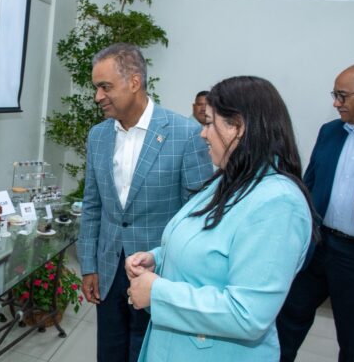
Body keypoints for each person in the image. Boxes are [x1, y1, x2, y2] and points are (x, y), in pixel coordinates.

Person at [125, 76, 315, 361]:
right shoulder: (229, 178)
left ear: (238, 127)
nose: (203, 134)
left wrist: (158, 293)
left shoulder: (278, 203)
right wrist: (158, 259)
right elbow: (209, 248)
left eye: (209, 123)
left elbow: (247, 313)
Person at [77, 43, 213, 362]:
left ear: (134, 82)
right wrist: (89, 265)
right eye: (96, 87)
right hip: (109, 268)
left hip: (158, 271)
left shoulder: (185, 134)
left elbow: (197, 214)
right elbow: (92, 205)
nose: (97, 96)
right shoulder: (98, 136)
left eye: (105, 87)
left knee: (147, 352)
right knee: (110, 351)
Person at [277, 64, 354, 362]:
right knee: (287, 320)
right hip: (319, 244)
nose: (336, 103)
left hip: (353, 255)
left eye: (342, 96)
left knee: (351, 337)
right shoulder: (330, 132)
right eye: (334, 95)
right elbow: (309, 184)